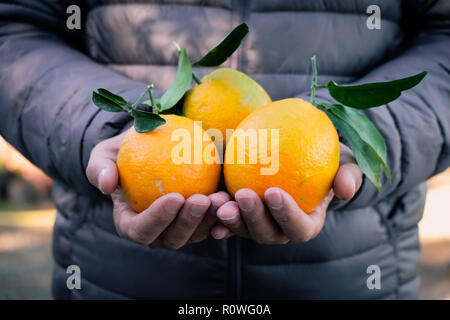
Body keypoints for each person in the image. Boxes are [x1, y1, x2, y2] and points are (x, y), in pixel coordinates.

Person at [0, 0, 448, 299]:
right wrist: (113, 127)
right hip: (112, 276)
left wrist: (366, 133)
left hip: (357, 274)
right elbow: (13, 29)